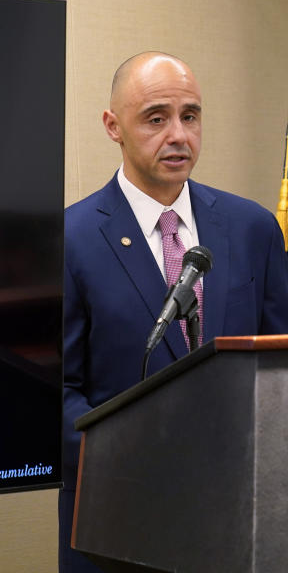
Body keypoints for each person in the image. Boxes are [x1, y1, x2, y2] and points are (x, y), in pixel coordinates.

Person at [59, 51, 288, 572]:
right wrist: (139, 459)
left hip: (238, 522)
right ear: (113, 126)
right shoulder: (70, 240)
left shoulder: (252, 228)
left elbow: (280, 369)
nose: (179, 135)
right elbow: (57, 392)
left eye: (191, 115)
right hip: (116, 523)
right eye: (156, 118)